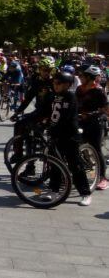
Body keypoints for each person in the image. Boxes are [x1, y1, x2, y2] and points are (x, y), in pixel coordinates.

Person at [48, 71, 93, 206]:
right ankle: (54, 190)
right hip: (55, 135)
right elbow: (45, 111)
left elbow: (68, 117)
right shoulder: (53, 96)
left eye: (58, 83)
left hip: (70, 135)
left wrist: (56, 128)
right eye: (54, 82)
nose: (55, 85)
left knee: (75, 165)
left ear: (67, 85)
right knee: (54, 164)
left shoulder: (70, 97)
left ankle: (85, 193)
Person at [11, 59, 55, 161]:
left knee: (35, 135)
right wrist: (17, 112)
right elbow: (27, 99)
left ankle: (35, 163)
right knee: (19, 125)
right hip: (39, 112)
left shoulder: (55, 82)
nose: (47, 72)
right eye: (44, 70)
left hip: (52, 114)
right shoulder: (37, 82)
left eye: (49, 70)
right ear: (39, 70)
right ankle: (18, 153)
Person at [76, 65, 108, 190]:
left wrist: (91, 114)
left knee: (96, 149)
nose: (79, 77)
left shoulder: (99, 90)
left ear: (89, 77)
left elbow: (105, 109)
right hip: (80, 122)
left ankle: (102, 178)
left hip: (95, 123)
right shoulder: (79, 89)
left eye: (82, 75)